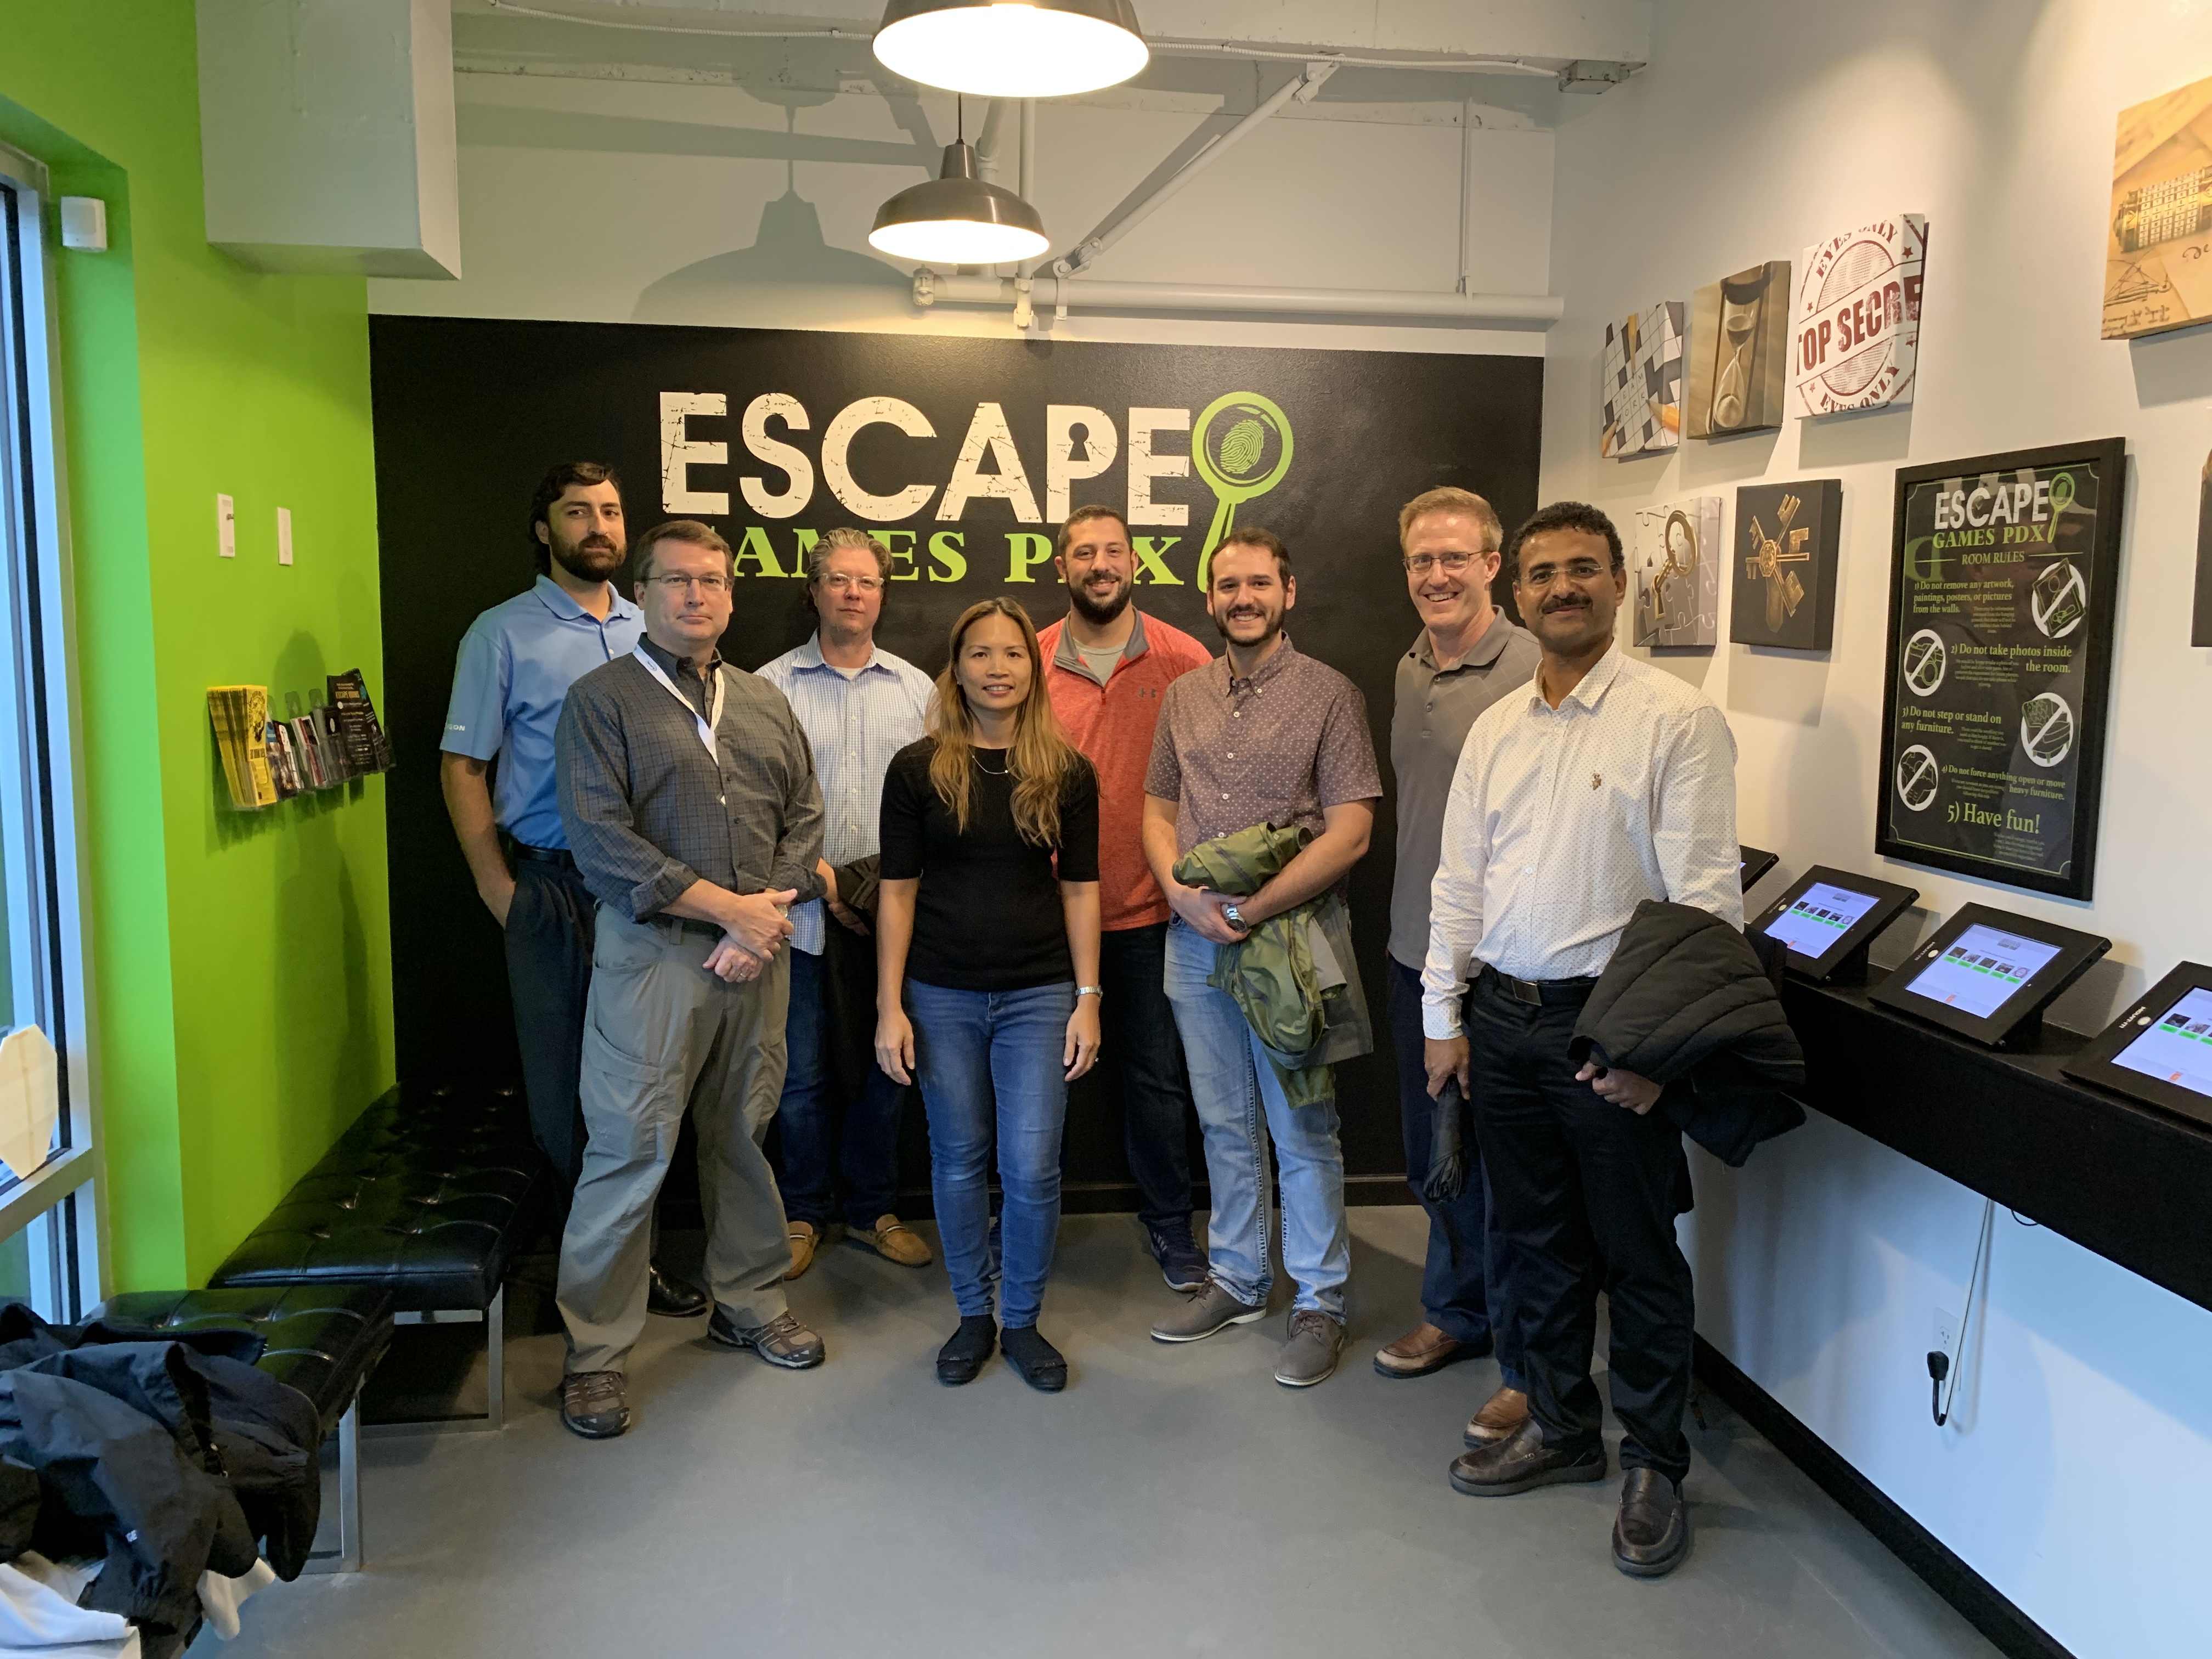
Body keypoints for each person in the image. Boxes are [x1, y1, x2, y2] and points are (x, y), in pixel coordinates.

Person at [1422, 500, 1740, 1578]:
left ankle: (1654, 1463)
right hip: (1503, 1021)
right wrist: (1443, 1018)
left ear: (1619, 583)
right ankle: (1562, 1427)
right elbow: (1459, 881)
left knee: (1639, 1254)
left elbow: (1704, 908)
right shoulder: (1496, 729)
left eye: (1584, 569)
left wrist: (1658, 1056)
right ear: (1517, 592)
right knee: (1536, 1243)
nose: (1563, 587)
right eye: (1544, 572)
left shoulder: (1675, 720)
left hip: (1611, 1031)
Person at [552, 520, 829, 1440]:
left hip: (757, 956)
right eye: (676, 580)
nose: (696, 595)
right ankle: (596, 1353)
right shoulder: (601, 702)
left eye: (712, 580)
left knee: (742, 1134)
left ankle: (747, 1303)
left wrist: (761, 917)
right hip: (657, 956)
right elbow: (601, 840)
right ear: (643, 594)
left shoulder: (764, 701)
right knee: (631, 1147)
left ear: (731, 597)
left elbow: (805, 816)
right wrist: (728, 912)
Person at [439, 462, 703, 1321]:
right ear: (542, 528)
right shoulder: (501, 634)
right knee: (566, 1097)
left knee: (648, 1086)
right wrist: (501, 891)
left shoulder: (654, 624)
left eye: (612, 512)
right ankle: (587, 1280)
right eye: (578, 511)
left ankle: (640, 1265)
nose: (599, 526)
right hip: (552, 888)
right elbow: (463, 768)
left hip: (648, 887)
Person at [1141, 528, 1383, 1389]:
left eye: (1258, 584)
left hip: (1295, 942)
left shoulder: (1331, 695)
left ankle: (1320, 1301)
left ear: (1288, 593)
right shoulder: (1184, 696)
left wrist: (1251, 907)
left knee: (1304, 1126)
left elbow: (1351, 832)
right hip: (1195, 939)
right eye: (1228, 586)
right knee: (1223, 1122)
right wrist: (1185, 901)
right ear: (1210, 598)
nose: (1243, 598)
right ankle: (1239, 1280)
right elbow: (1157, 810)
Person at [874, 599, 1103, 1393]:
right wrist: (890, 1006)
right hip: (941, 995)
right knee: (959, 1159)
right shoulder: (917, 769)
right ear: (957, 667)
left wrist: (1088, 997)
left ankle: (1024, 1321)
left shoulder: (1067, 772)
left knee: (1033, 1167)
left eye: (1013, 654)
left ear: (1033, 669)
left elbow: (1081, 890)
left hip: (1040, 995)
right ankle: (975, 1314)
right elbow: (897, 892)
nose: (997, 668)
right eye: (981, 653)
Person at [1373, 489, 1541, 1446]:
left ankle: (1525, 1363)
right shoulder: (1410, 667)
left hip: (1501, 966)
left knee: (1509, 1168)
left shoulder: (1531, 668)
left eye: (1454, 558)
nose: (1436, 576)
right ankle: (1457, 1310)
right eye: (1420, 561)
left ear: (1491, 564)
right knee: (1435, 1155)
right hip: (1415, 952)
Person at [1036, 505, 1214, 1292]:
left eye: (1113, 551)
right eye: (1084, 553)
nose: (1099, 564)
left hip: (1152, 912)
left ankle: (1170, 1222)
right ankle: (1025, 1223)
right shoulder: (1031, 657)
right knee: (1035, 1082)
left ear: (1135, 563)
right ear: (1062, 568)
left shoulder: (1182, 658)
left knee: (1156, 1080)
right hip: (1046, 915)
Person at [757, 529, 936, 1278]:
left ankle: (873, 1211)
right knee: (799, 1079)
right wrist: (828, 884)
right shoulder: (769, 688)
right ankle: (801, 1214)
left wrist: (874, 893)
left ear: (882, 595)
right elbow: (755, 809)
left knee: (886, 1069)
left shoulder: (919, 691)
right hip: (799, 919)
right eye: (838, 580)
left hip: (893, 919)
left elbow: (938, 804)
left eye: (866, 582)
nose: (853, 593)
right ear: (815, 591)